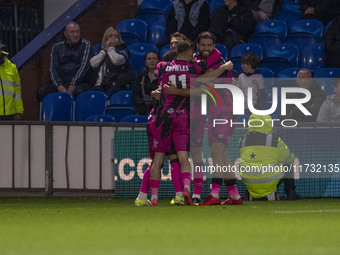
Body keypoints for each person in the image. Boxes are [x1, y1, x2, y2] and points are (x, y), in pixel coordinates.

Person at [239, 114, 300, 200]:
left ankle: (248, 193)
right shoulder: (274, 140)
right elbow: (289, 159)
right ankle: (291, 194)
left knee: (249, 165)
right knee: (287, 165)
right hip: (269, 181)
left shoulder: (243, 139)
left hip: (249, 181)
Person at [37, 22, 94, 102]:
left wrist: (73, 85)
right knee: (42, 92)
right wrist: (59, 86)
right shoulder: (57, 47)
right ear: (66, 34)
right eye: (72, 32)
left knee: (78, 92)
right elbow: (53, 69)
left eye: (77, 32)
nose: (75, 34)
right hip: (62, 82)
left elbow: (84, 67)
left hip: (79, 82)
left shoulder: (86, 45)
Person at [89, 27, 136, 98]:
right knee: (88, 95)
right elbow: (93, 64)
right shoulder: (101, 51)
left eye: (116, 36)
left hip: (116, 85)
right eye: (110, 36)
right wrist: (104, 50)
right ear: (106, 38)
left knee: (105, 96)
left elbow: (116, 61)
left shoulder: (123, 50)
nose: (113, 38)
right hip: (101, 85)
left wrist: (111, 47)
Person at [0, 41, 23, 120]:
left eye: (0, 49)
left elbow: (17, 91)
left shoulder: (12, 67)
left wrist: (19, 110)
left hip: (9, 114)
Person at [132, 50, 160, 115]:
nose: (152, 61)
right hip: (143, 107)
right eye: (149, 59)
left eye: (154, 59)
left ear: (159, 61)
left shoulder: (163, 75)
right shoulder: (140, 76)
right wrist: (141, 105)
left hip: (158, 107)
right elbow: (136, 93)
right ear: (145, 62)